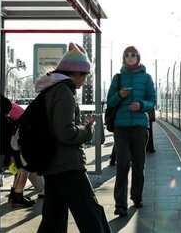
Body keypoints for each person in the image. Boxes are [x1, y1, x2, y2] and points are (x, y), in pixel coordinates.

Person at [36, 43, 110, 233]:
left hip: (53, 164)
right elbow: (65, 133)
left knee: (53, 219)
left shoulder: (52, 89)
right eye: (84, 75)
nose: (84, 80)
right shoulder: (64, 92)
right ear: (75, 72)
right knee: (91, 214)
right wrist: (87, 131)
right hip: (67, 165)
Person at [107, 46, 156, 217]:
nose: (130, 57)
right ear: (123, 58)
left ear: (138, 57)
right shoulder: (118, 78)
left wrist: (141, 105)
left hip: (139, 127)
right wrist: (120, 95)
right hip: (121, 127)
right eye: (127, 55)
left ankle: (136, 197)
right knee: (122, 165)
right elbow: (110, 102)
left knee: (138, 164)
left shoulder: (147, 78)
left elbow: (152, 101)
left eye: (133, 55)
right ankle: (120, 204)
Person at [1, 96, 35, 208]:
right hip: (5, 157)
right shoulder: (8, 122)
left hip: (1, 155)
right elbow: (12, 145)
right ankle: (17, 196)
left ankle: (15, 194)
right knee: (24, 167)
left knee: (21, 164)